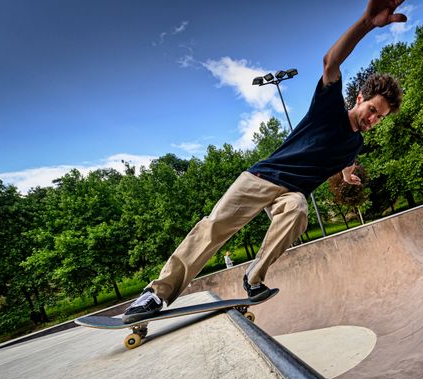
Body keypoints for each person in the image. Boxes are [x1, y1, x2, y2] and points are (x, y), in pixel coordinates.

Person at [123, 0, 405, 324]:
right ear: (359, 98)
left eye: (380, 117)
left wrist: (347, 174)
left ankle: (253, 276)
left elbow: (342, 157)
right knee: (214, 228)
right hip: (262, 178)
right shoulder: (330, 108)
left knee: (298, 210)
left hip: (290, 195)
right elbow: (331, 61)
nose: (373, 119)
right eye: (372, 109)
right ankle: (157, 293)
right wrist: (366, 24)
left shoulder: (356, 143)